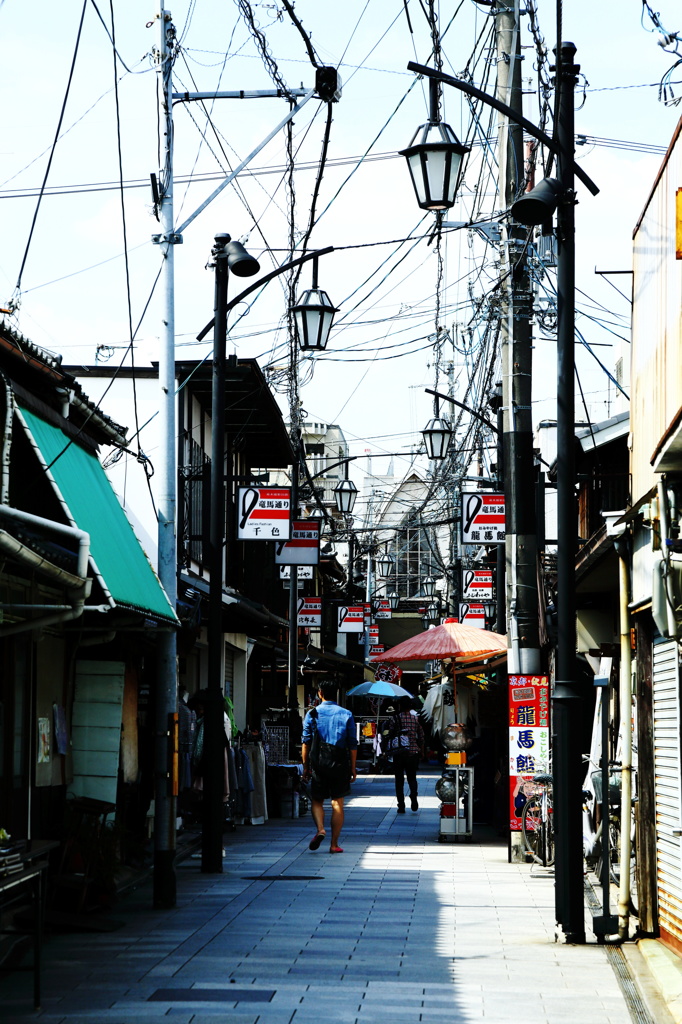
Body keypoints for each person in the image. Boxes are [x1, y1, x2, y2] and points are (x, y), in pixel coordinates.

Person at [301, 679, 358, 853]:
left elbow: (306, 742)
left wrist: (305, 767)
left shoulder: (312, 714)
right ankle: (334, 844)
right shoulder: (346, 714)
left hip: (318, 761)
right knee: (337, 803)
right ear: (337, 694)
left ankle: (320, 829)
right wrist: (353, 768)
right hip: (339, 760)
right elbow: (352, 744)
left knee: (317, 800)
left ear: (320, 693)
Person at [387, 696, 425, 813]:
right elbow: (422, 736)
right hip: (413, 752)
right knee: (412, 778)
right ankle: (413, 795)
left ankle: (401, 805)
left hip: (399, 753)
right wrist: (421, 750)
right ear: (410, 706)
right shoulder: (415, 719)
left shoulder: (395, 718)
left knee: (399, 780)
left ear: (399, 706)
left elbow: (390, 734)